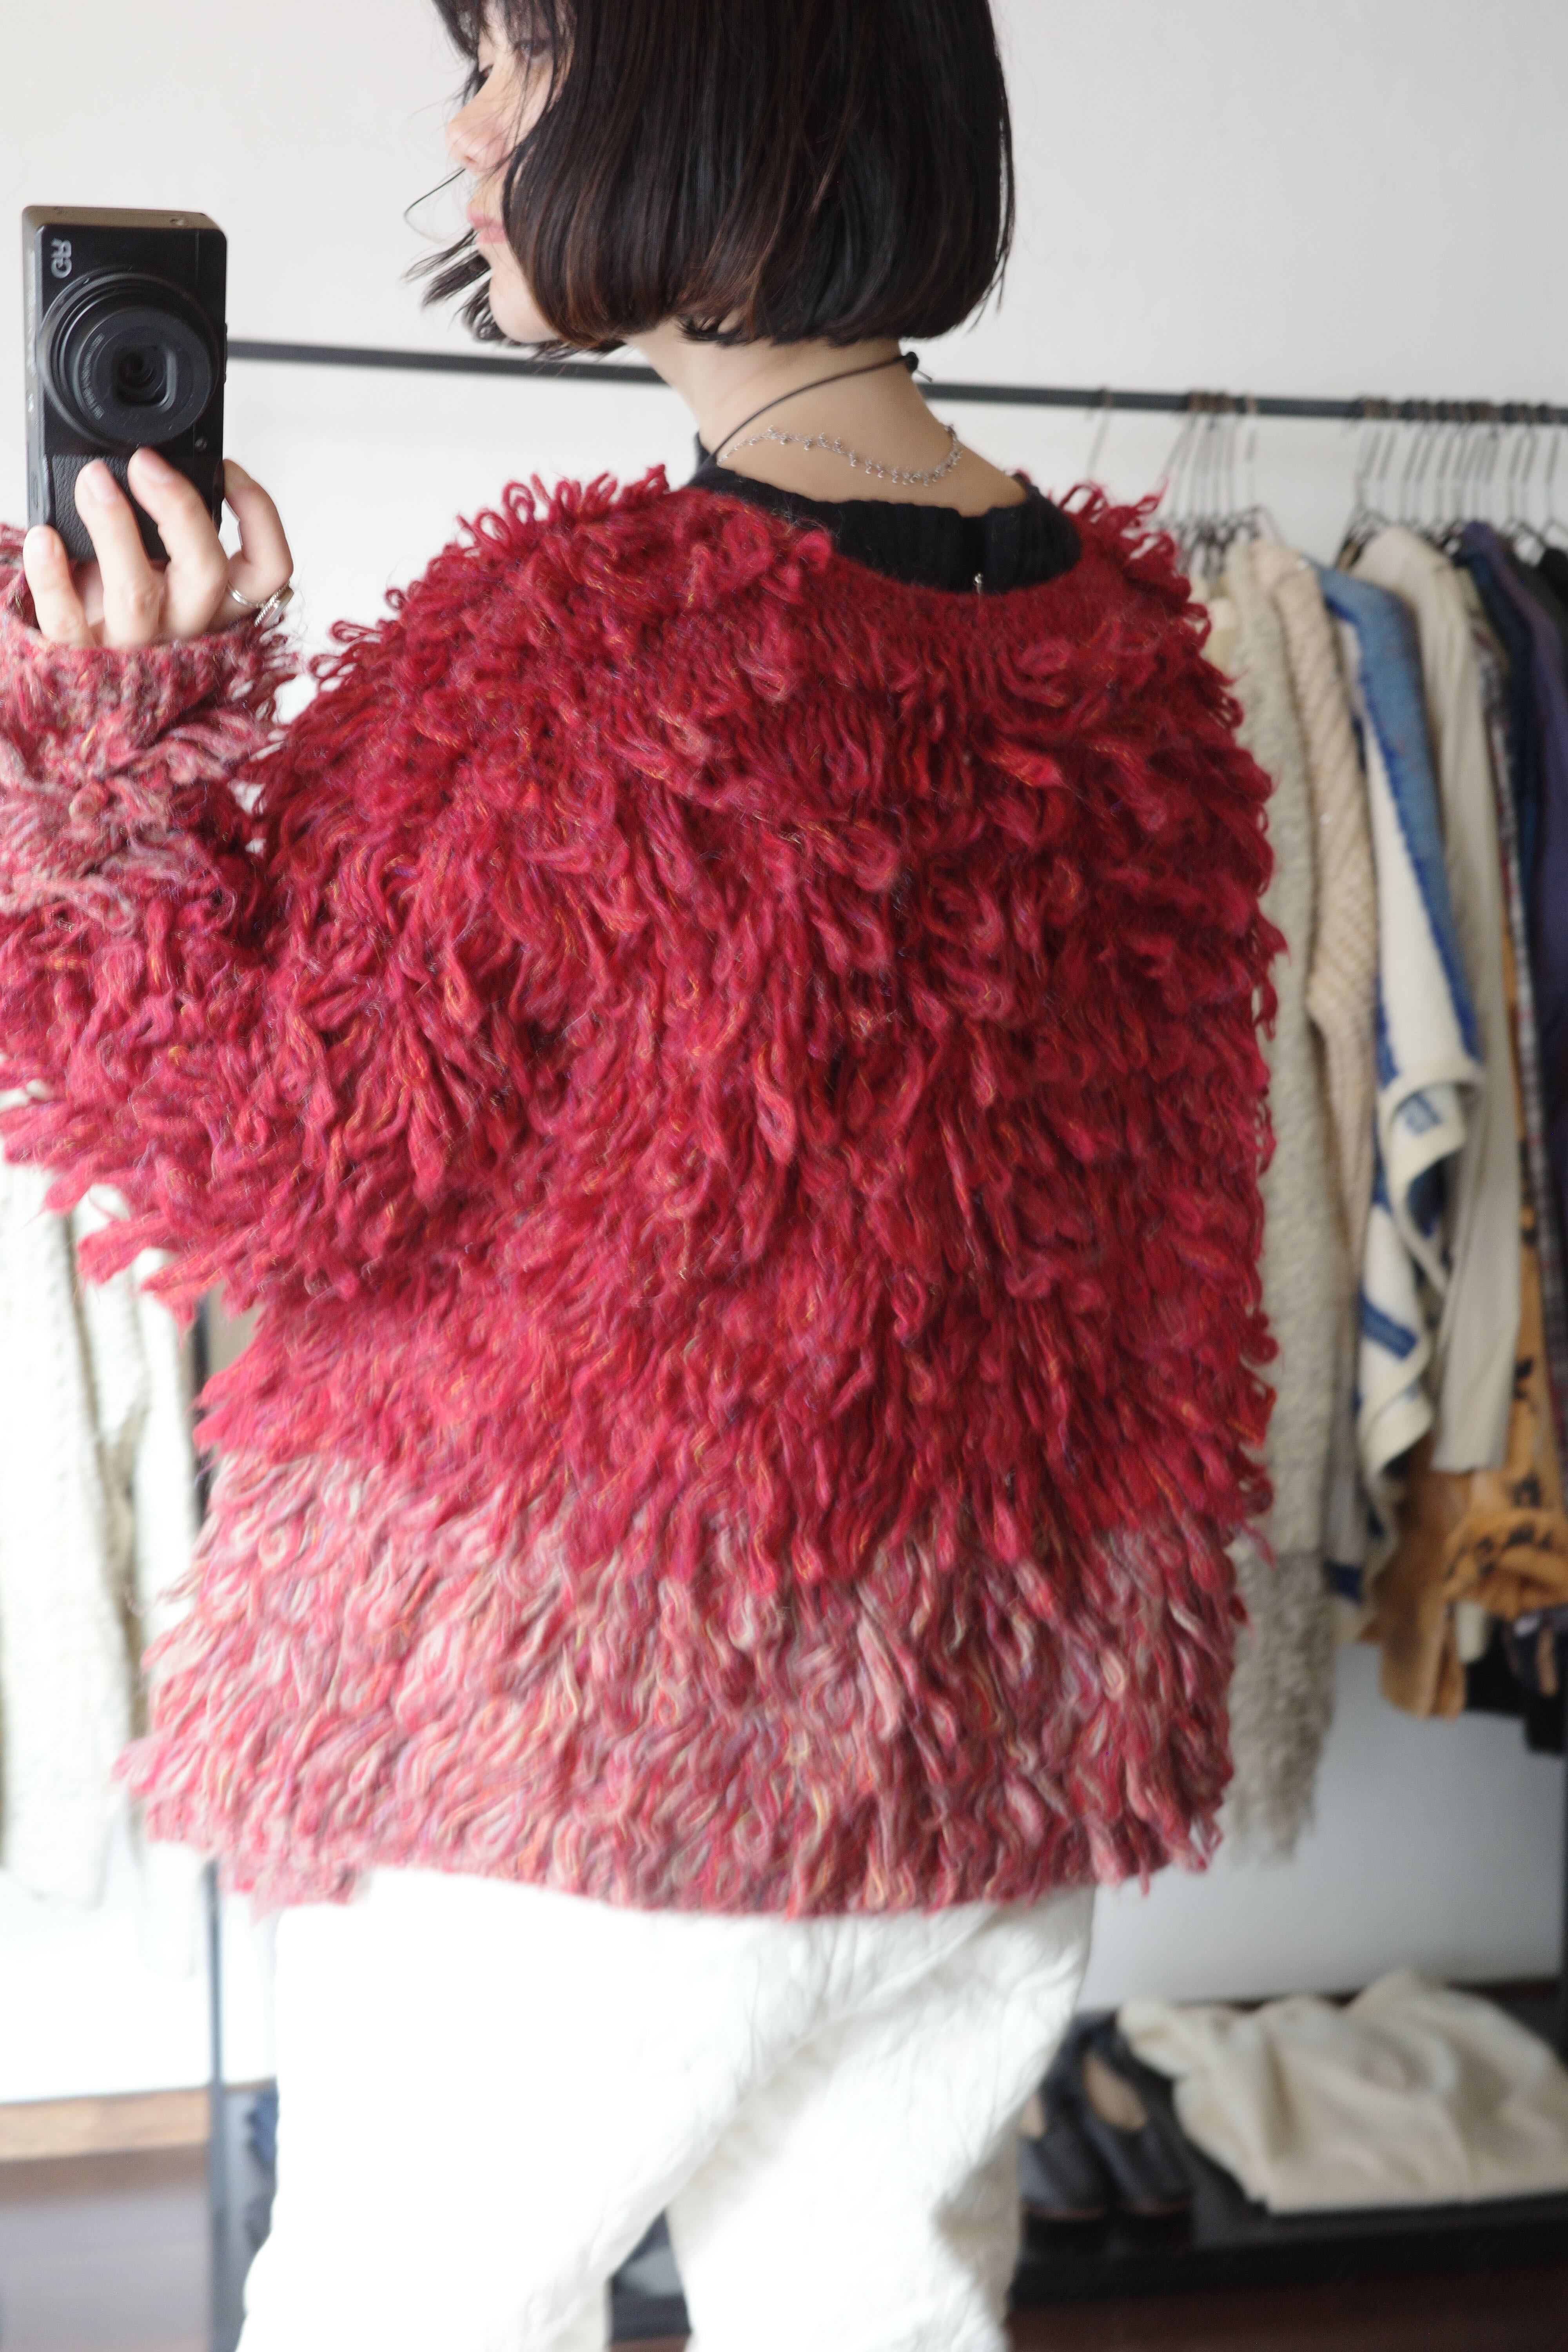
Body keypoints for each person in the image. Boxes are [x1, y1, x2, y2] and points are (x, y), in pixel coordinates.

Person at [3, 4, 1274, 2346]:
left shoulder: (588, 651)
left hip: (590, 1775)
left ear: (720, 93)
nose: (468, 122)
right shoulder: (1139, 662)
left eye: (523, 57)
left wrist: (115, 732)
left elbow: (267, 1162)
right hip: (979, 1762)